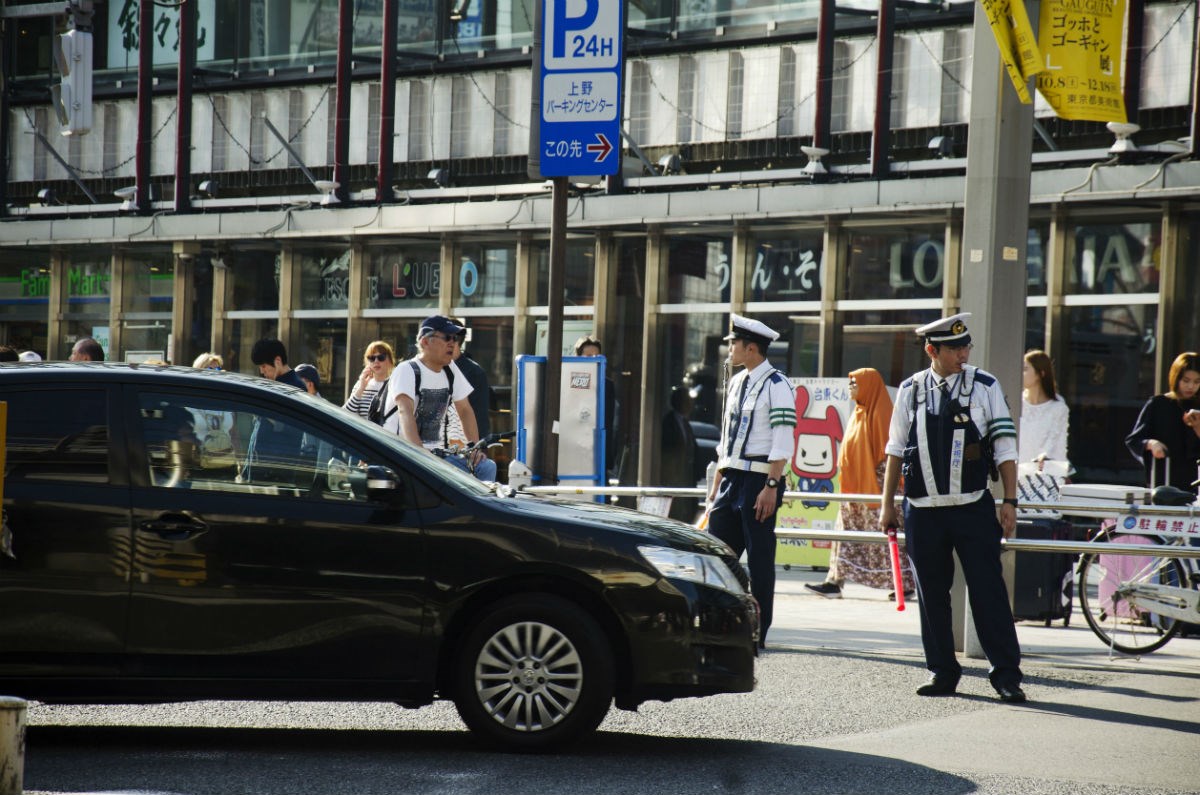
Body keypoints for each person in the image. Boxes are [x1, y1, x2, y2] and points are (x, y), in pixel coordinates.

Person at [878, 312, 1025, 703]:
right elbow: (894, 449)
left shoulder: (985, 385)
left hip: (972, 506)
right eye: (955, 348)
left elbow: (1006, 447)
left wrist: (1010, 500)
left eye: (966, 346)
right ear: (932, 350)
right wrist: (887, 504)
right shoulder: (910, 389)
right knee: (932, 595)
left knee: (988, 591)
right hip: (921, 509)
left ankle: (1007, 675)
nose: (964, 353)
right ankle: (942, 672)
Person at [704, 314, 796, 649]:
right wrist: (715, 488)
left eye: (734, 343)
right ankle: (720, 626)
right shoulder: (737, 382)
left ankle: (759, 632)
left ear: (751, 347)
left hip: (760, 479)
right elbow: (725, 441)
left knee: (759, 560)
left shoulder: (778, 385)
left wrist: (772, 486)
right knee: (717, 557)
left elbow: (783, 440)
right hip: (731, 479)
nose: (729, 348)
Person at [806, 367, 915, 600]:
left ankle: (903, 584)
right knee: (844, 534)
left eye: (854, 383)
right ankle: (834, 581)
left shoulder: (882, 414)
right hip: (855, 489)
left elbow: (890, 456)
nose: (850, 388)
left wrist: (882, 492)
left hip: (875, 489)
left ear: (867, 386)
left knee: (885, 538)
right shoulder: (859, 412)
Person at [390, 315, 497, 482]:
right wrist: (421, 455)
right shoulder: (407, 370)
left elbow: (465, 409)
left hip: (439, 457)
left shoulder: (450, 369)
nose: (452, 343)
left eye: (454, 338)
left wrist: (473, 448)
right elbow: (405, 413)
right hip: (405, 455)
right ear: (425, 342)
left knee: (486, 467)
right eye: (447, 337)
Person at [1125, 351, 1200, 492]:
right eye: (1186, 380)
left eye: (1197, 382)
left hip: (1195, 483)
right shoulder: (1158, 404)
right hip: (1164, 482)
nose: (1191, 387)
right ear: (1176, 378)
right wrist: (1151, 444)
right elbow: (1134, 439)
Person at [575, 334, 619, 478]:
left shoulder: (607, 385)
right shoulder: (568, 381)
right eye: (588, 356)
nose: (593, 360)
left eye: (596, 356)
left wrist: (608, 461)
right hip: (573, 451)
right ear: (578, 357)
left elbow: (609, 423)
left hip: (597, 453)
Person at [1019, 349, 1070, 473]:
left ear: (1040, 374)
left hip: (1042, 476)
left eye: (1025, 369)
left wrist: (1045, 456)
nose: (1021, 373)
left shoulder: (1058, 408)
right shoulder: (1016, 402)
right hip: (1015, 472)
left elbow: (1058, 443)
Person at [661, 385, 698, 522]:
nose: (691, 405)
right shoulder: (669, 421)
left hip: (686, 477)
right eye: (687, 401)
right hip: (674, 477)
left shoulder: (685, 423)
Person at [452, 319, 492, 440]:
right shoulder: (434, 368)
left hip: (463, 444)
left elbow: (480, 415)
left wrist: (478, 447)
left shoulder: (474, 372)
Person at [344, 340, 397, 424]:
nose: (376, 361)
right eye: (372, 358)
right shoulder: (361, 384)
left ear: (390, 362)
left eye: (381, 357)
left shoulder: (395, 385)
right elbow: (345, 414)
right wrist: (361, 388)